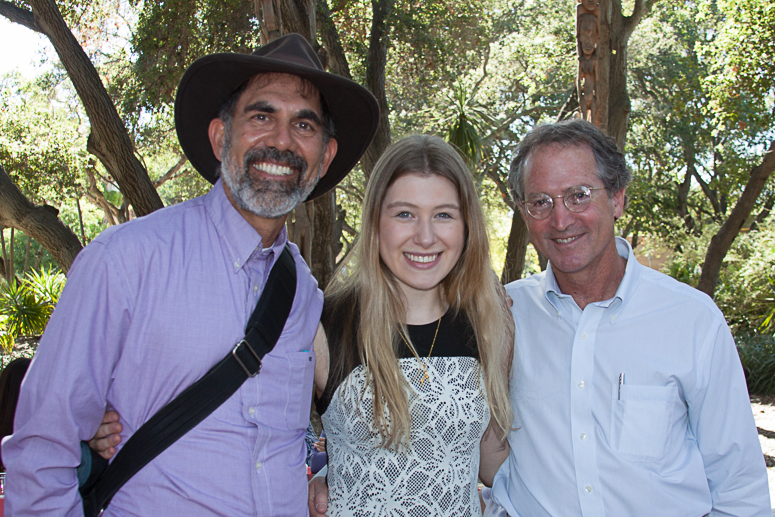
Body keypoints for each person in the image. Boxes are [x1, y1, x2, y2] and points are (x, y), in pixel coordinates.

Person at [2, 33, 378, 515]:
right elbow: (41, 450)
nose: (282, 140)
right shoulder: (127, 260)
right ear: (221, 137)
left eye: (303, 124)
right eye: (261, 117)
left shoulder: (303, 291)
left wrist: (324, 478)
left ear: (324, 157)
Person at [490, 119, 770, 516]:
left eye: (578, 196)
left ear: (617, 198)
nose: (561, 219)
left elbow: (739, 487)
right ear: (523, 212)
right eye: (541, 202)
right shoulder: (504, 316)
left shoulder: (691, 319)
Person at [308, 134, 513, 516]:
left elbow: (490, 458)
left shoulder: (489, 324)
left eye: (444, 215)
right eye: (405, 214)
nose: (425, 237)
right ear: (375, 221)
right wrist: (309, 482)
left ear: (467, 226)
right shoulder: (322, 325)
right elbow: (266, 446)